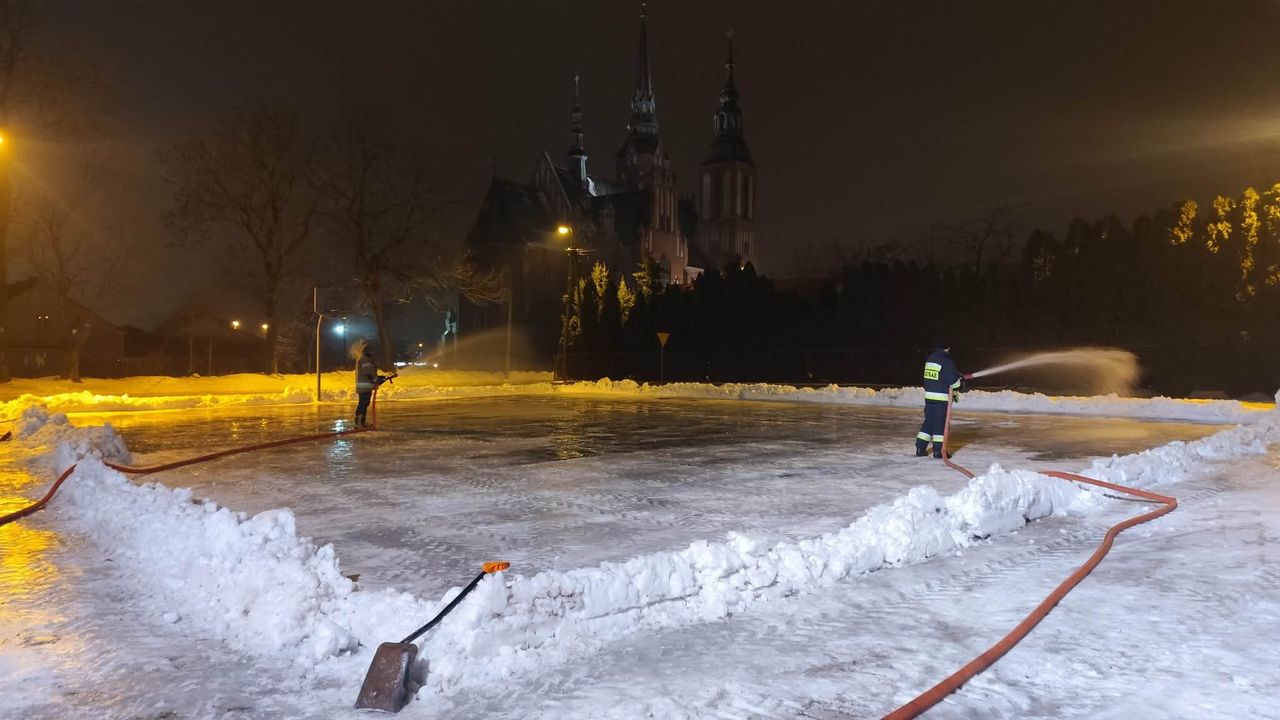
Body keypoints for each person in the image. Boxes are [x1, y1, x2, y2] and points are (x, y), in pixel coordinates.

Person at [916, 341, 966, 458]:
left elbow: (938, 376)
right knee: (941, 424)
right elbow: (953, 382)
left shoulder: (931, 358)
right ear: (947, 348)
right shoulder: (946, 360)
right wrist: (960, 383)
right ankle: (939, 451)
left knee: (929, 422)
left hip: (929, 397)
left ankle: (920, 448)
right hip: (941, 398)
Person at [354, 348, 379, 427]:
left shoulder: (363, 359)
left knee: (364, 403)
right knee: (363, 404)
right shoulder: (365, 359)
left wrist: (377, 378)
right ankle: (359, 422)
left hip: (365, 386)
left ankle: (362, 422)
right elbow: (368, 372)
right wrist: (375, 380)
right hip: (365, 386)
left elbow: (369, 372)